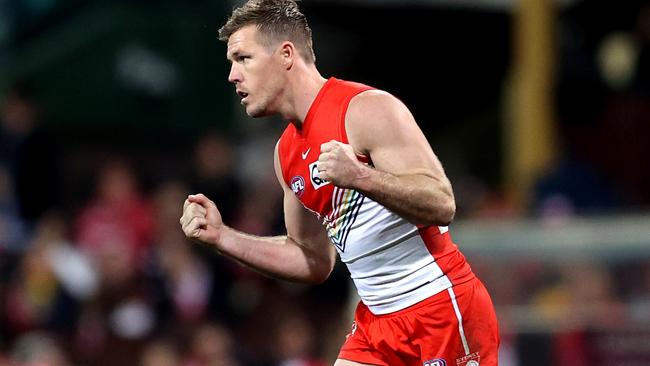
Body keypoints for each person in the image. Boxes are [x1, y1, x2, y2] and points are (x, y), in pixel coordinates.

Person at [180, 1, 499, 365]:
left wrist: (359, 176)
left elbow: (442, 204)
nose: (232, 75)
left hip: (439, 308)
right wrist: (223, 237)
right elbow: (313, 260)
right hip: (375, 323)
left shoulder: (366, 109)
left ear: (285, 54)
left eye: (243, 58)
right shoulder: (286, 152)